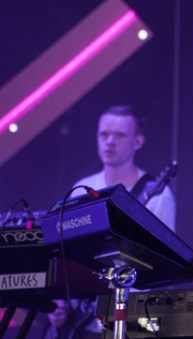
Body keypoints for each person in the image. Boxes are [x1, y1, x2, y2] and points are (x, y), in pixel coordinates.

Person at [42, 105, 176, 339]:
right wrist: (60, 302)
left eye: (120, 135)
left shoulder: (158, 196)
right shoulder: (81, 188)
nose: (110, 142)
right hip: (82, 323)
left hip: (130, 322)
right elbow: (65, 253)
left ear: (137, 142)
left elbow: (162, 267)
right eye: (104, 134)